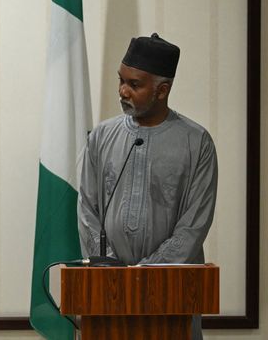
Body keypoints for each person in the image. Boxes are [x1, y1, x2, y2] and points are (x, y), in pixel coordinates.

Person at [78, 33, 218, 340]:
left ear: (162, 90)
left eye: (135, 84)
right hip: (107, 291)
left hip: (170, 292)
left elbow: (194, 225)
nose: (123, 91)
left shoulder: (197, 142)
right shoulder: (101, 136)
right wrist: (110, 268)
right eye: (121, 81)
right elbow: (87, 209)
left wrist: (146, 275)